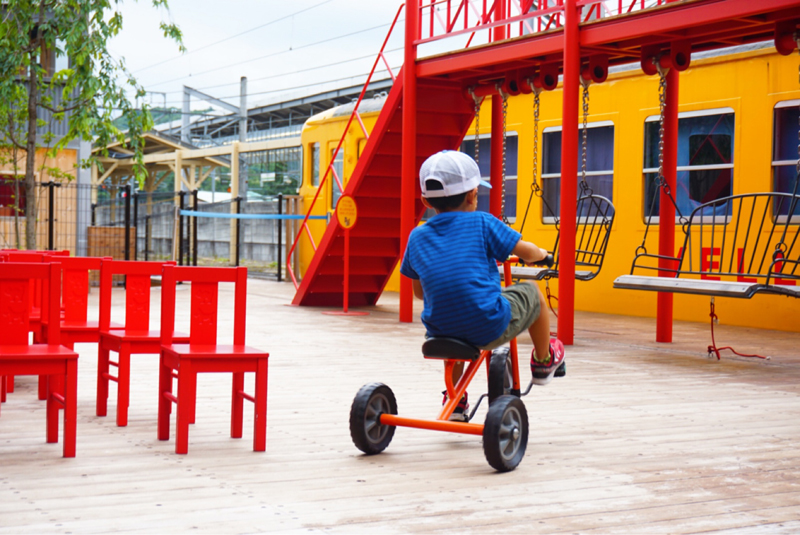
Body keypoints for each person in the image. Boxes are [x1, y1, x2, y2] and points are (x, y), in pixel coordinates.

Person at [400, 150, 565, 421]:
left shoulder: (416, 236)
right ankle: (545, 360)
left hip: (439, 332)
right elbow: (526, 252)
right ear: (472, 196)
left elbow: (419, 293)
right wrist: (544, 255)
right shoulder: (482, 223)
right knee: (532, 293)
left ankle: (455, 400)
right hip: (487, 324)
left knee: (450, 312)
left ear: (425, 201)